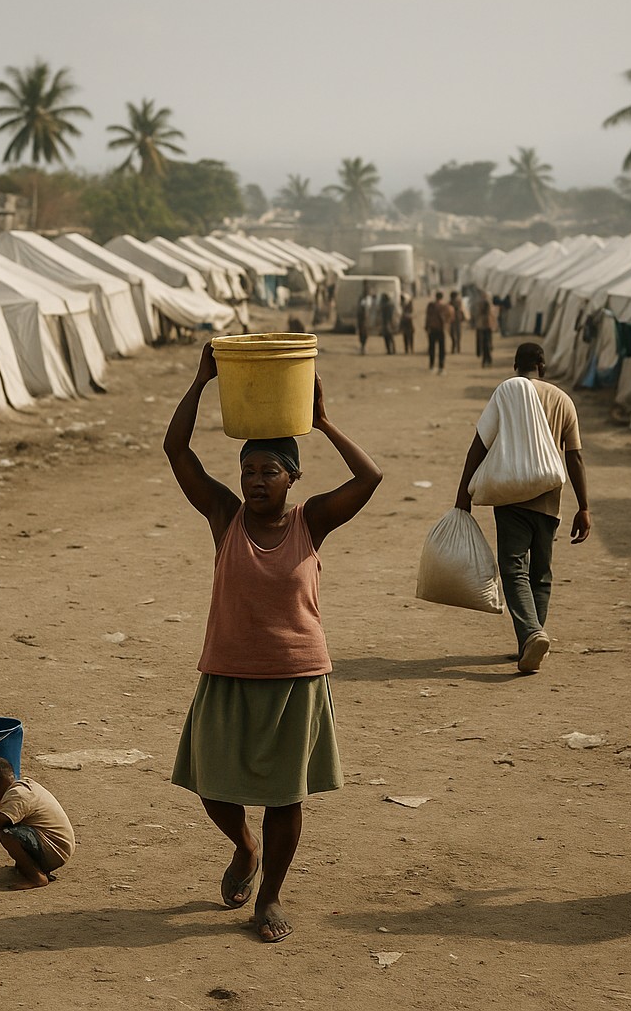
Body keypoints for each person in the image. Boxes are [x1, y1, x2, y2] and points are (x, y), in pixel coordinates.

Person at [163, 343, 382, 943]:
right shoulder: (223, 516)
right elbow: (175, 450)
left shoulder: (312, 521)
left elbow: (370, 477)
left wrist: (323, 421)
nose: (256, 481)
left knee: (287, 797)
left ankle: (270, 899)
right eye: (248, 471)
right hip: (228, 671)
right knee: (212, 786)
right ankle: (244, 846)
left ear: (293, 477)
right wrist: (202, 380)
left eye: (269, 471)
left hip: (296, 676)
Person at [455, 342, 591, 672]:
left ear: (516, 365)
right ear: (542, 366)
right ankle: (532, 640)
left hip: (511, 495)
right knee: (540, 574)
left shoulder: (508, 392)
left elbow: (480, 444)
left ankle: (531, 633)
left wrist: (463, 493)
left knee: (514, 567)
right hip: (549, 499)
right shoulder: (563, 400)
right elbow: (574, 456)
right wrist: (584, 507)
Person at [0, 756, 76, 891]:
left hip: (55, 850)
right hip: (57, 846)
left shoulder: (18, 795)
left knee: (7, 833)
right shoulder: (23, 786)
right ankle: (28, 866)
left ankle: (36, 877)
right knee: (5, 824)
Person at [425, 290, 449, 374]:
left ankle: (431, 366)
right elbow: (445, 318)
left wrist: (427, 327)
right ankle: (441, 367)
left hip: (432, 329)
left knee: (432, 348)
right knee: (441, 349)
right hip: (440, 329)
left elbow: (427, 317)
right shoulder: (444, 306)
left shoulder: (430, 305)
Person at [474, 289, 497, 368]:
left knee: (486, 344)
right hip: (484, 326)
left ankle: (486, 360)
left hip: (485, 326)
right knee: (486, 344)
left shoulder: (485, 304)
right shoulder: (485, 304)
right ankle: (487, 359)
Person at [448, 289, 467, 354]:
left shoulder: (451, 303)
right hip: (456, 319)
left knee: (453, 334)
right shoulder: (458, 302)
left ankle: (455, 347)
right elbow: (462, 310)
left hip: (453, 320)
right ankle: (457, 347)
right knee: (457, 334)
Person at [356, 290, 373, 355]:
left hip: (364, 322)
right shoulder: (363, 304)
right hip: (362, 322)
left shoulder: (366, 302)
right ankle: (363, 347)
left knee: (364, 335)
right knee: (363, 335)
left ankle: (363, 347)